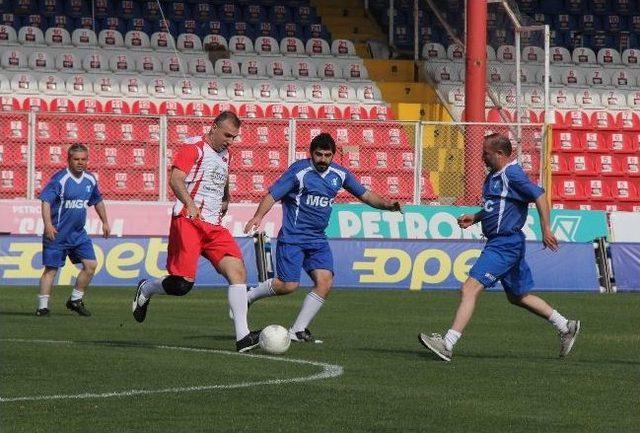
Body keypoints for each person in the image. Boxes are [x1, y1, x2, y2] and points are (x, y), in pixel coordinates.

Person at [418, 133, 580, 362]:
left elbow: (540, 196)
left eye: (486, 153)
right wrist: (476, 217)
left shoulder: (511, 174)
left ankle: (447, 343)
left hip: (504, 244)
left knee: (469, 288)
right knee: (518, 296)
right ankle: (565, 326)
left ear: (500, 154)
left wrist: (546, 229)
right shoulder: (494, 176)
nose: (482, 157)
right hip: (504, 243)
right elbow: (498, 205)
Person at [242, 132, 403, 343]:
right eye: (319, 155)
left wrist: (387, 205)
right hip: (293, 237)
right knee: (288, 286)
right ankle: (249, 296)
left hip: (317, 239)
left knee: (325, 282)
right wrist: (258, 216)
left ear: (333, 155)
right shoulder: (299, 171)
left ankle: (297, 330)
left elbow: (365, 195)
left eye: (327, 155)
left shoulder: (340, 174)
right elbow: (273, 195)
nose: (323, 160)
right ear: (311, 154)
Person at [132, 111, 260, 352]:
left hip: (213, 225)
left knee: (238, 272)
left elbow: (223, 178)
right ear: (213, 127)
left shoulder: (226, 154)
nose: (230, 141)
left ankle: (243, 338)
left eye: (234, 137)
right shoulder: (194, 147)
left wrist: (226, 197)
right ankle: (147, 288)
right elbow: (176, 179)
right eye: (227, 135)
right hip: (188, 220)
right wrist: (190, 204)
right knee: (182, 285)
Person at [36, 143, 110, 317]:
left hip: (78, 234)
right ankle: (43, 307)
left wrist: (105, 221)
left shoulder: (90, 179)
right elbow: (46, 201)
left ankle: (75, 300)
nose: (80, 162)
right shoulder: (60, 179)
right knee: (51, 270)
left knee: (91, 265)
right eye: (76, 159)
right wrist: (48, 224)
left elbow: (97, 201)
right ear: (68, 160)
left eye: (83, 159)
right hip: (57, 234)